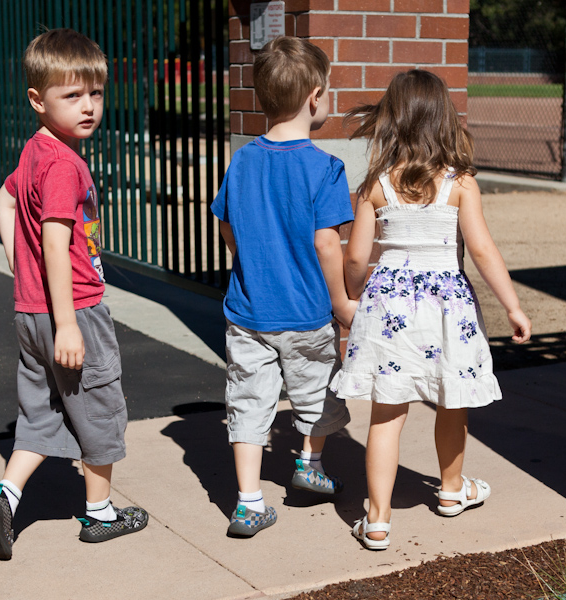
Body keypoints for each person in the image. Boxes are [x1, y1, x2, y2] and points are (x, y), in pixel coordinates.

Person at [332, 70, 532, 551]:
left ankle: (377, 521)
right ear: (445, 119)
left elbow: (357, 256)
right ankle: (450, 490)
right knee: (452, 400)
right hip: (448, 306)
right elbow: (482, 251)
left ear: (392, 119)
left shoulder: (376, 184)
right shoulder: (459, 182)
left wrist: (354, 293)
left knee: (386, 410)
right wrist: (513, 306)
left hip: (388, 304)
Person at [0, 28, 147, 560]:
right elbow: (55, 238)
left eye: (95, 92)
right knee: (100, 408)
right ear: (37, 100)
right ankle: (99, 515)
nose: (88, 106)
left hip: (31, 313)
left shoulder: (34, 152)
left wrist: (15, 264)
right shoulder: (65, 165)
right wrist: (69, 321)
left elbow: (4, 200)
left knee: (41, 414)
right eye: (72, 96)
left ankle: (4, 498)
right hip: (73, 312)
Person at [210, 36, 357, 538]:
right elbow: (327, 245)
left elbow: (226, 224)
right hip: (307, 311)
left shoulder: (243, 162)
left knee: (249, 402)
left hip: (249, 311)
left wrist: (247, 257)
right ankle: (308, 465)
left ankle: (248, 503)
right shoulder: (325, 168)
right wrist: (340, 302)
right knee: (316, 392)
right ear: (316, 97)